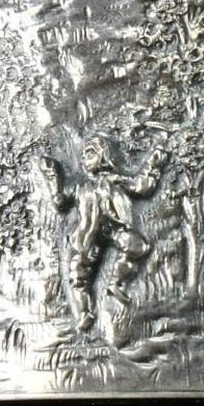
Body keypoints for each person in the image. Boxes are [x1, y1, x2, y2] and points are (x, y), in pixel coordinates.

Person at [40, 135, 169, 331]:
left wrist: (154, 162)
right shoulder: (81, 187)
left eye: (90, 154)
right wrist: (53, 177)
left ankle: (116, 282)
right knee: (78, 274)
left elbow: (142, 186)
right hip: (87, 236)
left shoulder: (114, 181)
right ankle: (85, 313)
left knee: (138, 246)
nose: (84, 159)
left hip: (114, 229)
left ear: (103, 156)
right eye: (83, 156)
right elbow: (60, 202)